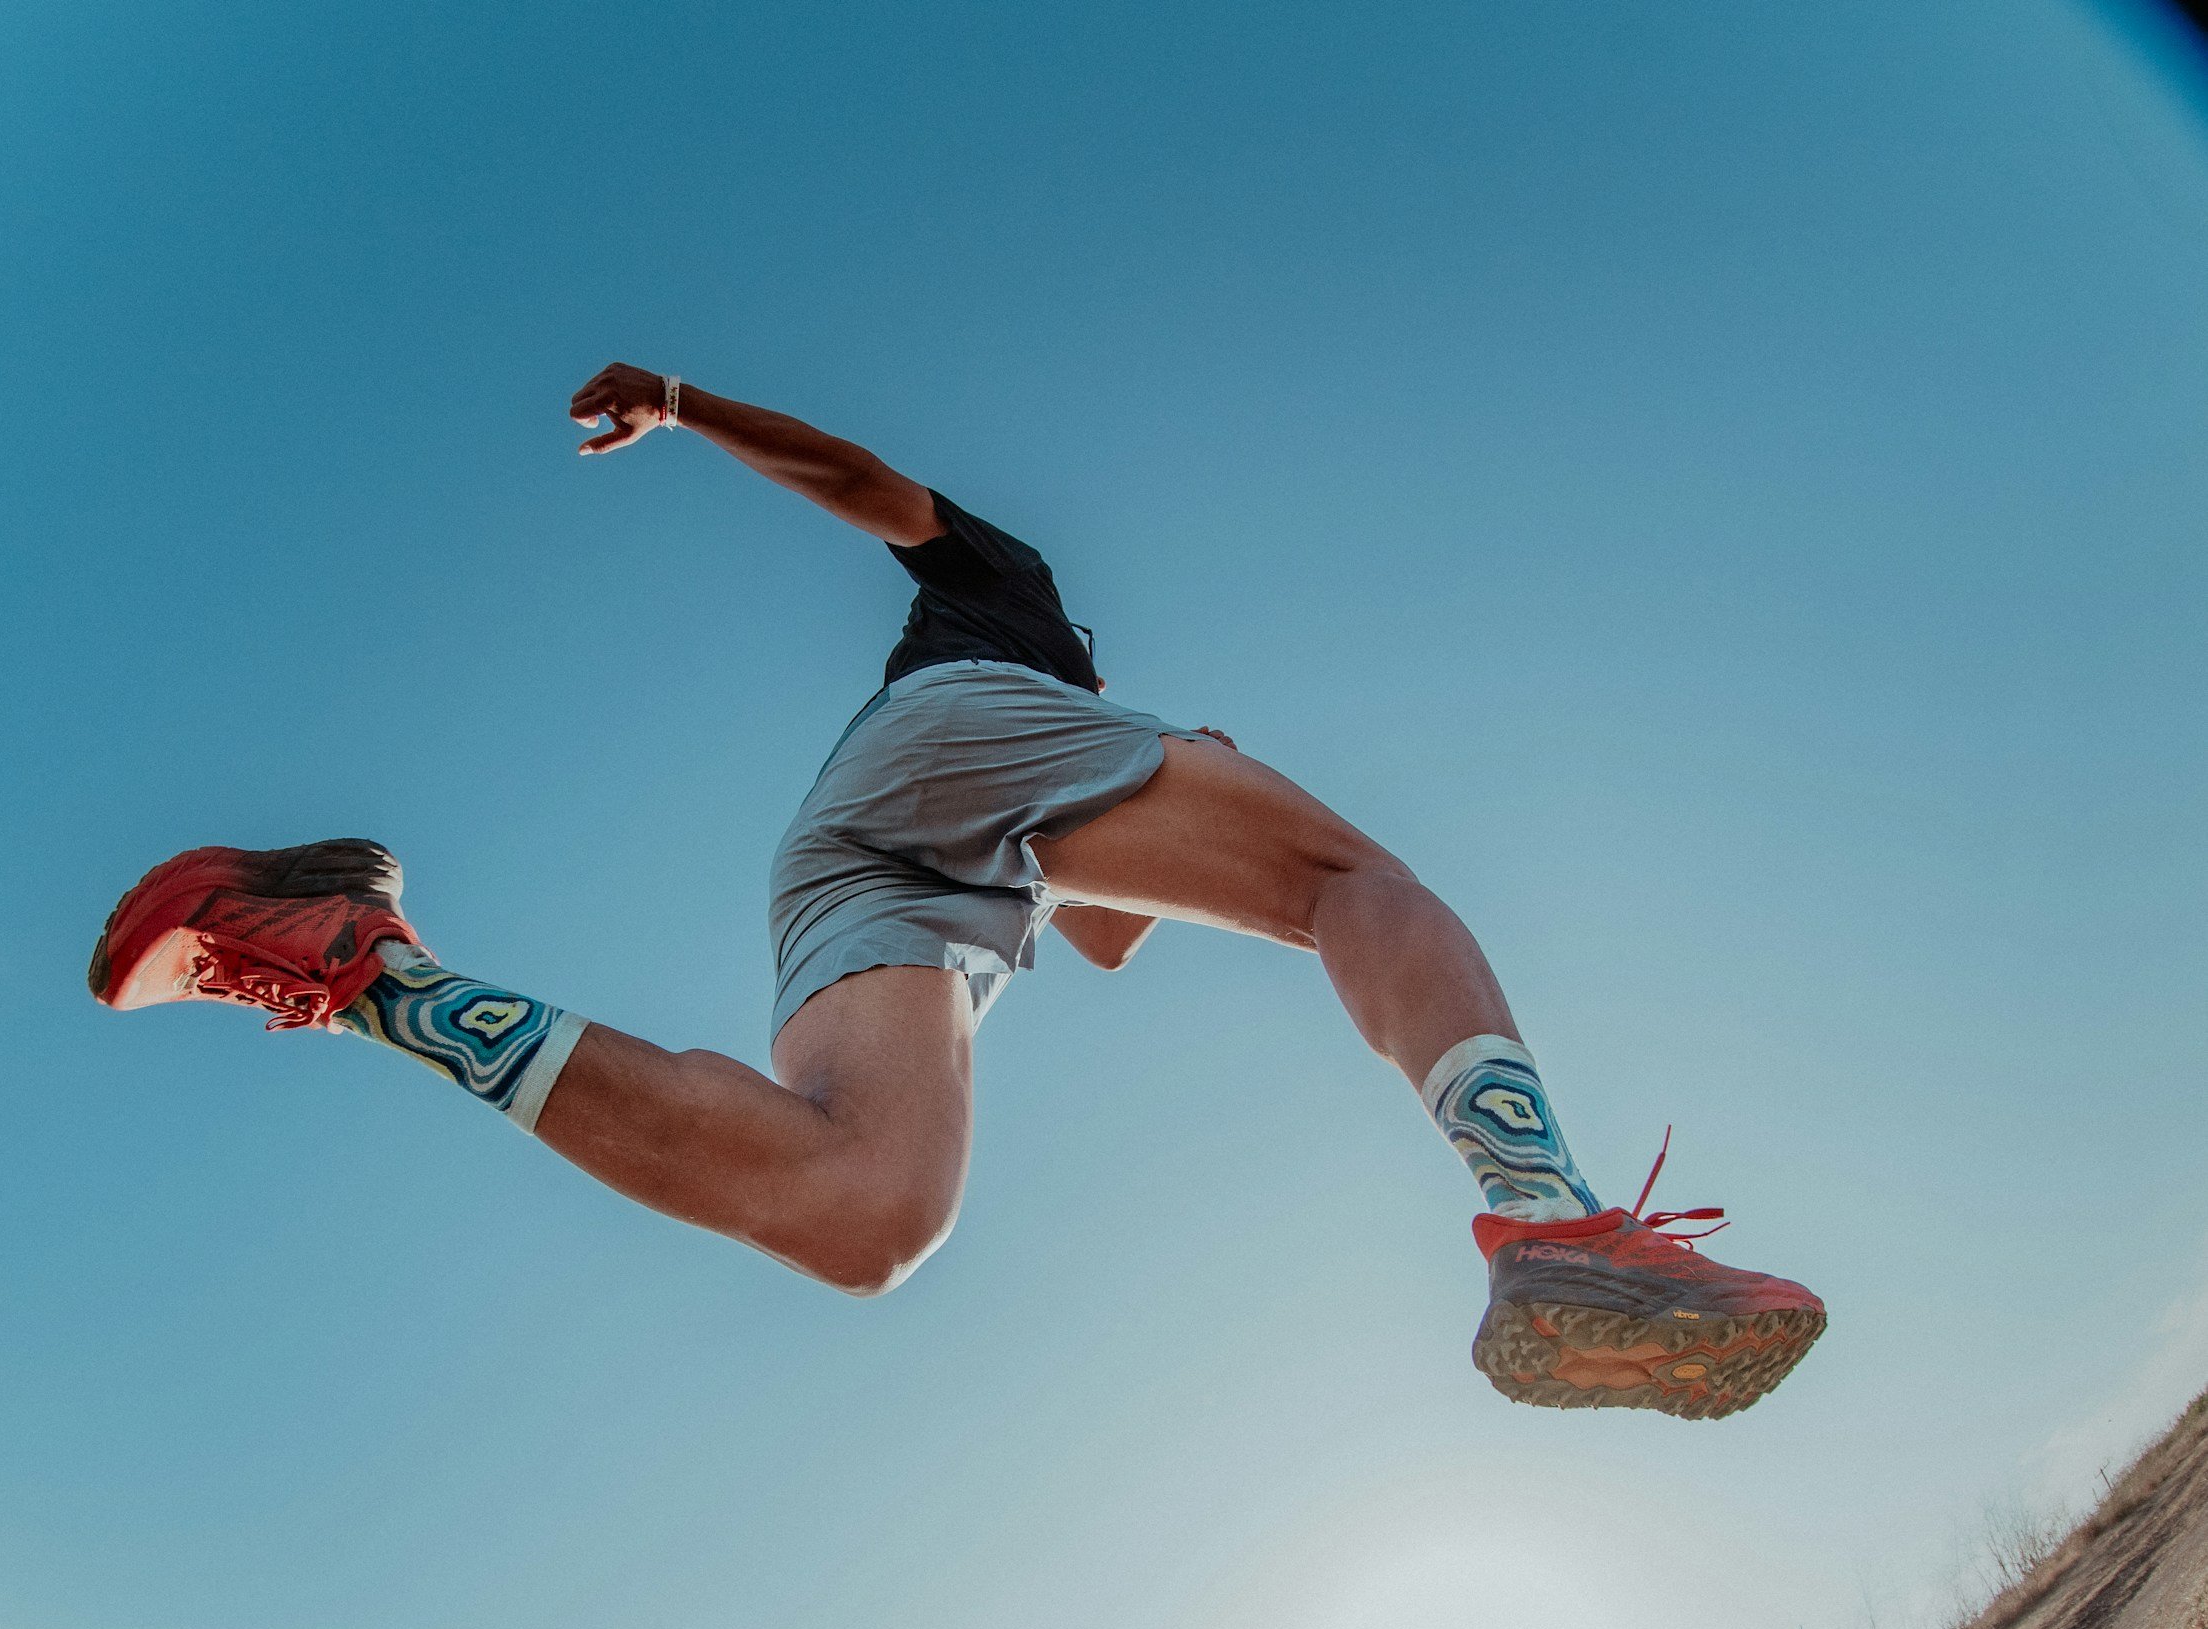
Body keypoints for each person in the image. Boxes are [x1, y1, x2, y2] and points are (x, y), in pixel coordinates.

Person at [88, 363, 1823, 1416]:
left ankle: (359, 955)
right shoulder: (1019, 608)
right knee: (1347, 880)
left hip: (878, 868)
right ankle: (1546, 1212)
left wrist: (1178, 800)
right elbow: (867, 488)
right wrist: (687, 408)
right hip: (945, 761)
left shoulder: (1067, 772)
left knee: (869, 1217)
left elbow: (1116, 921)